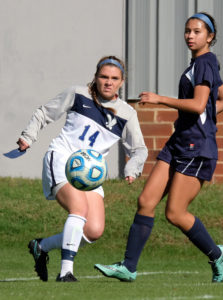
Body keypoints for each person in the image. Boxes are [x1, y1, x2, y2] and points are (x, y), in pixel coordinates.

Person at [94, 13, 223, 283]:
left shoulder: (205, 62)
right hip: (179, 142)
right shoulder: (201, 64)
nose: (190, 36)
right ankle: (129, 267)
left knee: (175, 212)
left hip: (197, 148)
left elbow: (197, 104)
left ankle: (217, 254)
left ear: (210, 37)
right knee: (146, 201)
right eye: (187, 31)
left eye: (197, 31)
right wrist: (201, 117)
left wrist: (161, 100)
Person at [17, 56, 148, 282]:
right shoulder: (78, 94)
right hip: (63, 158)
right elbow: (43, 113)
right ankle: (66, 272)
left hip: (90, 175)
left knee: (93, 231)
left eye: (114, 78)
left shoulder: (126, 113)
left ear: (122, 82)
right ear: (96, 77)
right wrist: (28, 137)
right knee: (78, 209)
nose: (108, 82)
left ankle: (41, 246)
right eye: (103, 77)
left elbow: (140, 149)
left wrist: (132, 168)